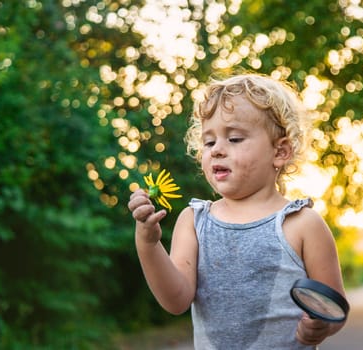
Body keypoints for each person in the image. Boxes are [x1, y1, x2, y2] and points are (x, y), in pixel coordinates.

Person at [128, 73, 347, 349]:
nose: (217, 150)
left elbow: (335, 306)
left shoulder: (302, 224)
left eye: (234, 138)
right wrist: (148, 243)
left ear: (280, 152)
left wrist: (321, 325)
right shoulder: (194, 222)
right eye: (208, 142)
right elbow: (175, 300)